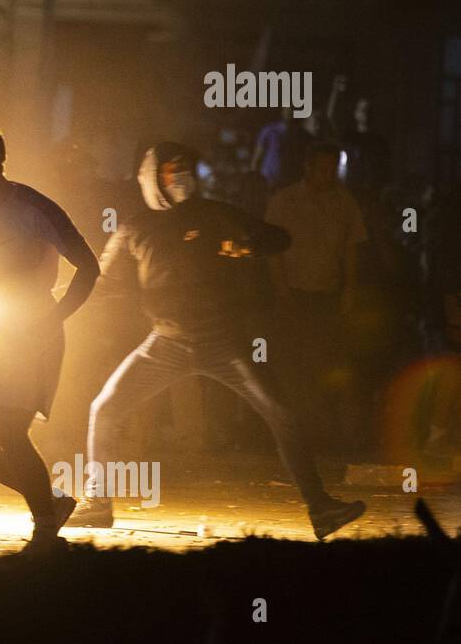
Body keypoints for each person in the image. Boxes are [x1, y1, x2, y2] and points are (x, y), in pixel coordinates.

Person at [74, 141, 365, 540]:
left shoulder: (215, 213)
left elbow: (279, 238)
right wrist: (61, 297)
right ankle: (97, 503)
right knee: (104, 408)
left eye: (186, 168)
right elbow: (104, 283)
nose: (182, 177)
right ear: (152, 177)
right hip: (165, 344)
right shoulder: (135, 228)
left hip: (223, 342)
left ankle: (321, 508)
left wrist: (245, 247)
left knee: (281, 413)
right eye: (172, 170)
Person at [0, 125, 100, 550]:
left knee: (11, 433)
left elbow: (89, 267)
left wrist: (54, 318)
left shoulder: (36, 207)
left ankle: (45, 530)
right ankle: (52, 503)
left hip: (35, 337)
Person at [265, 142, 368, 447]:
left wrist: (350, 288)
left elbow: (351, 248)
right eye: (322, 168)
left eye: (332, 169)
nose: (328, 174)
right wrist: (282, 290)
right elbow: (272, 251)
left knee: (325, 363)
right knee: (294, 364)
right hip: (294, 293)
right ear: (308, 168)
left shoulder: (344, 203)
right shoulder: (284, 201)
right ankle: (295, 431)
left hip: (327, 295)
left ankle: (323, 431)